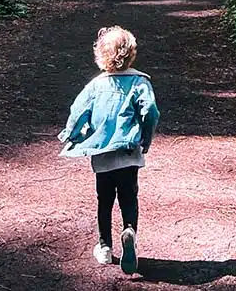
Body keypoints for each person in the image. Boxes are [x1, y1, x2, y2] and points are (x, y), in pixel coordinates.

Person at [58, 26, 160, 275]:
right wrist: (145, 138)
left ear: (101, 55)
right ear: (131, 53)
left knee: (104, 200)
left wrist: (70, 136)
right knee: (129, 197)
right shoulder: (139, 82)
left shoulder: (95, 86)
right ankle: (129, 232)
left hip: (102, 153)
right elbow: (150, 112)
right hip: (128, 152)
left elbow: (77, 112)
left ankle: (104, 247)